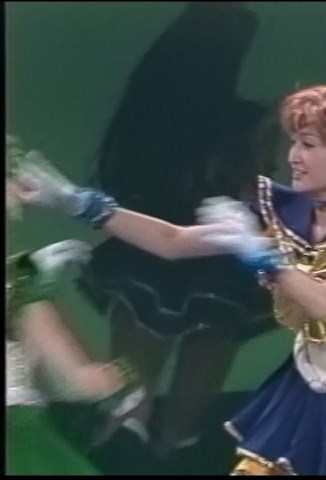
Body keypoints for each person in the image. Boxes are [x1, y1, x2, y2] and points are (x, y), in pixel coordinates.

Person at [14, 84, 326, 475]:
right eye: (293, 143)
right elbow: (172, 241)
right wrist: (78, 202)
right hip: (307, 392)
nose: (292, 157)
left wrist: (259, 253)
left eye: (308, 145)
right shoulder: (281, 214)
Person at [75, 1, 274, 457]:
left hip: (142, 251)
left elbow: (116, 182)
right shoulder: (245, 122)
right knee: (183, 423)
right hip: (217, 262)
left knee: (128, 405)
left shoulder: (143, 111)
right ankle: (169, 451)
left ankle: (124, 448)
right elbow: (253, 198)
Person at [6, 138, 140, 475]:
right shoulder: (24, 277)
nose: (21, 190)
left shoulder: (25, 277)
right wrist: (132, 377)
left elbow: (76, 384)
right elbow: (78, 385)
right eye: (12, 177)